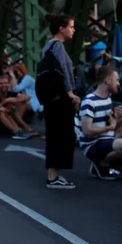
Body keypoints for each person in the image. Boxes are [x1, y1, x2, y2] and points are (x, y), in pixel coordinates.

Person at [42, 13, 79, 189]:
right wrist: (71, 93)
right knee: (60, 136)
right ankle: (52, 178)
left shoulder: (47, 46)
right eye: (71, 27)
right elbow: (63, 71)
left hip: (51, 99)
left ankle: (53, 175)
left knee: (54, 136)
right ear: (61, 29)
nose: (73, 30)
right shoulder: (58, 47)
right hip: (60, 100)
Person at [81, 66, 122, 178]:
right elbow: (87, 131)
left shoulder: (108, 99)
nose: (119, 83)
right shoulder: (89, 101)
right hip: (92, 146)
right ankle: (102, 163)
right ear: (108, 81)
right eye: (117, 80)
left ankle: (109, 165)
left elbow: (114, 131)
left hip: (109, 143)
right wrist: (109, 128)